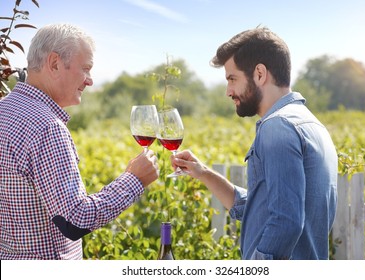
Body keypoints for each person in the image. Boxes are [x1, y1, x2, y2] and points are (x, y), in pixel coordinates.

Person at [171, 27, 338, 260]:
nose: (228, 91)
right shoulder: (312, 125)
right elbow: (264, 208)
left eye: (232, 79)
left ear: (259, 73)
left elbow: (285, 221)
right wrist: (204, 173)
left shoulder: (277, 127)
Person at [0, 23, 159, 260]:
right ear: (54, 63)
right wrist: (134, 180)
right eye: (86, 69)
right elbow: (75, 219)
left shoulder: (4, 110)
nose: (90, 81)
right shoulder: (47, 128)